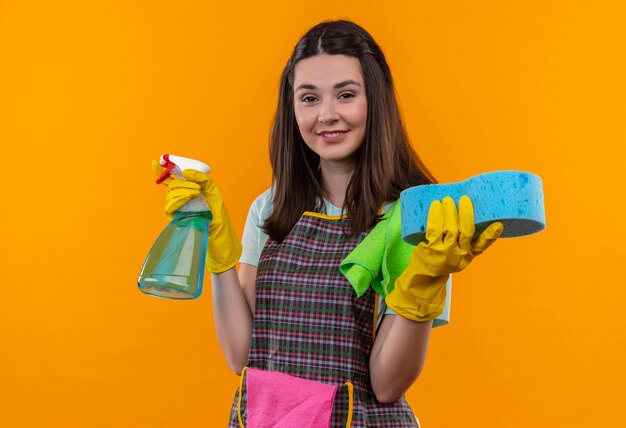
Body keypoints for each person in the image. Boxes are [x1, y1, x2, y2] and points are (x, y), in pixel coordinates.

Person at [154, 20, 503, 428]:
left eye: (346, 94)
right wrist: (218, 252)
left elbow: (388, 385)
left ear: (376, 99)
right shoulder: (270, 209)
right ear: (293, 108)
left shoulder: (414, 219)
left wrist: (424, 283)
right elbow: (242, 356)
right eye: (309, 98)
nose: (327, 115)